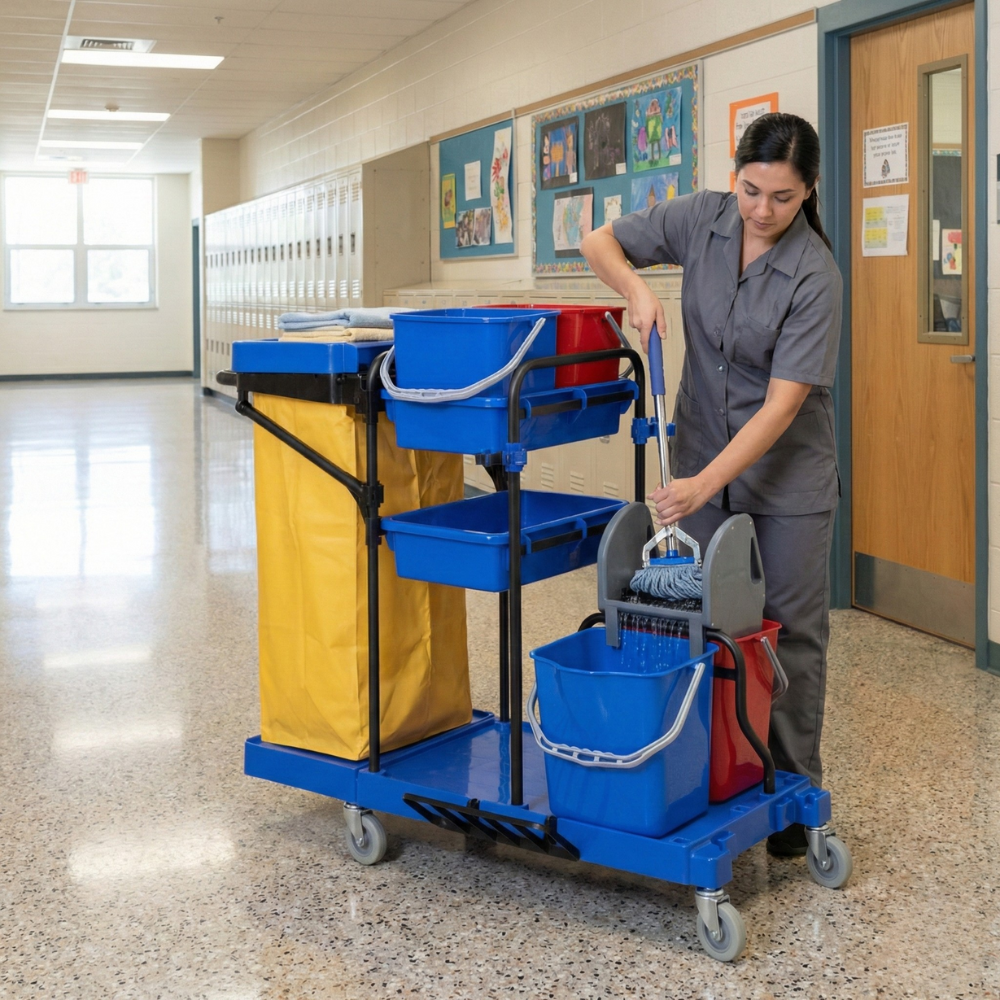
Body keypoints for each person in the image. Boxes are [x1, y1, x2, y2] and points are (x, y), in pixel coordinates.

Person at [581, 113, 842, 857]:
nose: (762, 210)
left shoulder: (815, 275)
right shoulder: (702, 217)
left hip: (786, 475)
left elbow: (783, 405)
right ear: (734, 175)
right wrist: (636, 288)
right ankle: (708, 772)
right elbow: (598, 242)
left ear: (808, 192)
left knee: (786, 636)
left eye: (783, 198)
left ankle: (792, 796)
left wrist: (699, 488)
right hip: (697, 446)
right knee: (700, 619)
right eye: (752, 189)